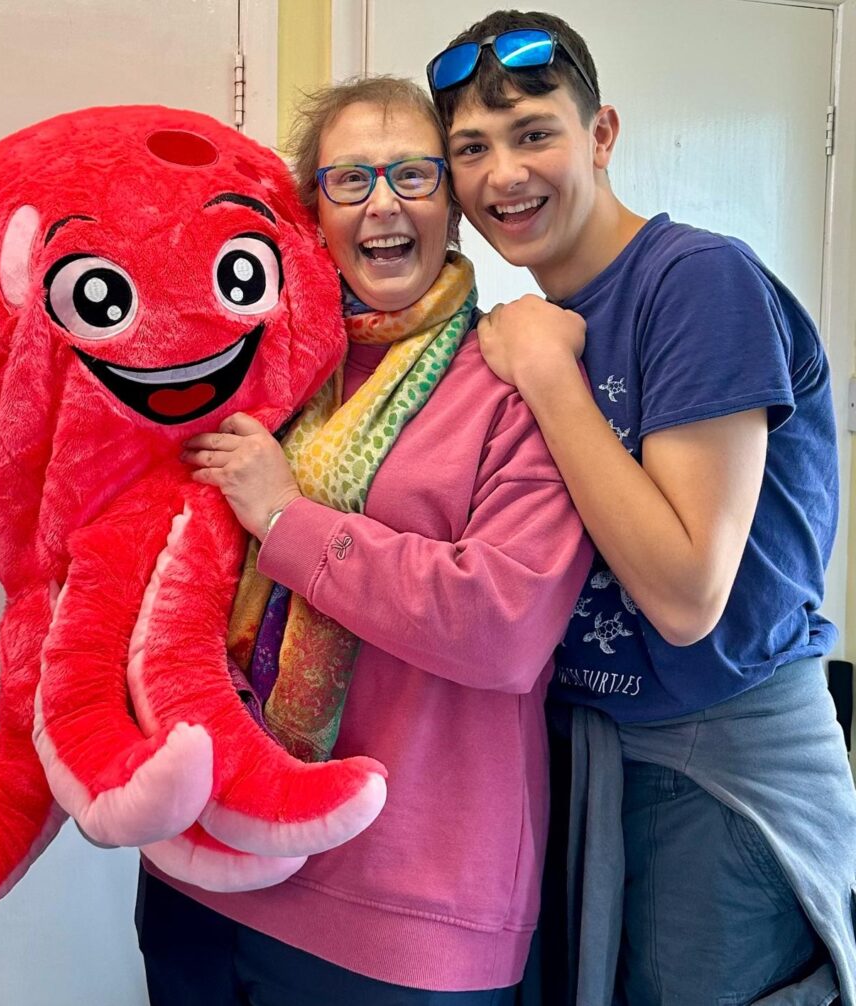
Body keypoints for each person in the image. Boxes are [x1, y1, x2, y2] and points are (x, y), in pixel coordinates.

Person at [428, 9, 856, 1005]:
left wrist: (548, 377)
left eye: (534, 132)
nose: (504, 176)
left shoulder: (695, 280)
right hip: (585, 759)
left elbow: (682, 592)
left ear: (601, 133)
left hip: (716, 772)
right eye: (470, 151)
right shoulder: (518, 326)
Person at [134, 75, 592, 1004]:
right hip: (203, 862)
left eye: (413, 175)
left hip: (403, 916)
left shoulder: (517, 382)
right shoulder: (260, 369)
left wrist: (285, 518)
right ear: (311, 214)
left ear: (453, 207)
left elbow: (502, 626)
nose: (383, 203)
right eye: (350, 180)